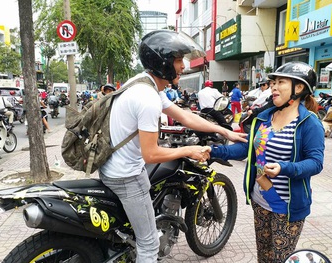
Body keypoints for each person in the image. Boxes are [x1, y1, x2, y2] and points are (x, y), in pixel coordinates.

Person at [99, 30, 247, 263]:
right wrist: (189, 150)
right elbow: (151, 153)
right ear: (163, 62)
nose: (183, 66)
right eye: (178, 60)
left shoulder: (143, 84)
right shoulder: (147, 99)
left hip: (112, 166)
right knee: (148, 246)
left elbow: (185, 116)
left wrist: (225, 130)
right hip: (126, 176)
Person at [209, 61, 325, 262]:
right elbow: (247, 150)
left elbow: (316, 162)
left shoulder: (308, 123)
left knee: (280, 259)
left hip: (287, 208)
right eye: (273, 82)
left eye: (281, 82)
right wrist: (213, 151)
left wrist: (283, 168)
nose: (273, 86)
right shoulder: (264, 118)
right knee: (264, 257)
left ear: (298, 88)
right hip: (260, 200)